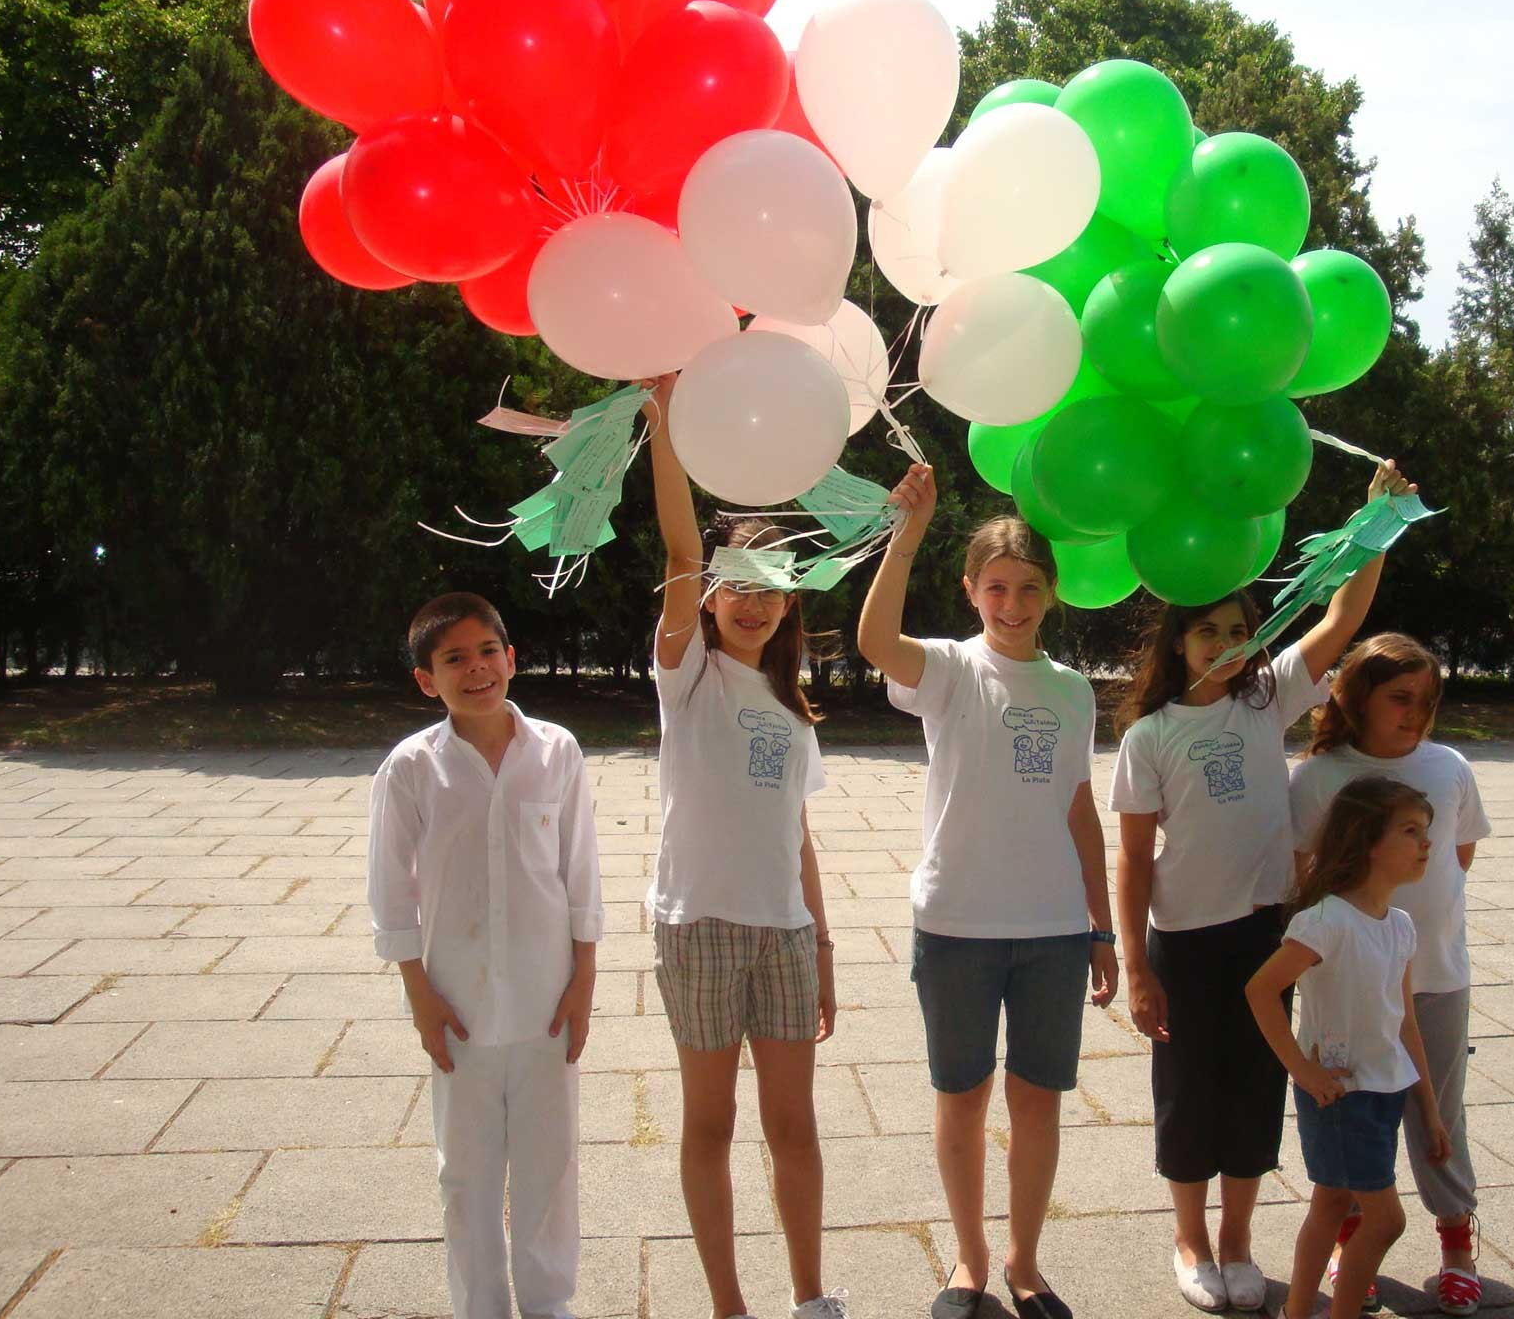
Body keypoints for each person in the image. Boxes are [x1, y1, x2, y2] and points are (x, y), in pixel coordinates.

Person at [1110, 461, 1415, 1313]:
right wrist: (1136, 963)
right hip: (1187, 940)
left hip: (1267, 938)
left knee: (1254, 1090)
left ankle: (1239, 1242)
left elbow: (1345, 612)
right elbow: (1133, 860)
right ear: (1178, 643)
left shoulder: (1266, 697)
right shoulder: (1151, 737)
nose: (1222, 642)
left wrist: (1375, 520)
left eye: (1237, 627)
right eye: (1204, 631)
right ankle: (1190, 1239)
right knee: (1188, 1096)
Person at [857, 464, 1117, 1319]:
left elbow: (1080, 810)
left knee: (1037, 1102)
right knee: (962, 1098)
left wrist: (1103, 928)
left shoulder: (1074, 691)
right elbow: (874, 643)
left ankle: (1025, 1262)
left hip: (1049, 930)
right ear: (972, 591)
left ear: (1051, 595)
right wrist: (907, 534)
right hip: (959, 922)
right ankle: (968, 1264)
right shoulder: (948, 670)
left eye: (1029, 588)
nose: (1013, 604)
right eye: (997, 587)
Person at [642, 375, 846, 1319]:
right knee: (712, 1123)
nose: (753, 605)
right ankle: (730, 1305)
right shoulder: (688, 675)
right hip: (700, 925)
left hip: (783, 933)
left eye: (771, 591)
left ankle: (809, 1297)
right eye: (737, 588)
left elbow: (795, 836)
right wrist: (666, 428)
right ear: (714, 597)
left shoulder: (794, 708)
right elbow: (683, 546)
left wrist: (825, 946)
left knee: (794, 1126)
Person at [367, 592, 602, 1319]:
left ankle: (548, 1300)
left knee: (548, 1166)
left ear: (512, 658)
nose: (476, 669)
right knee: (466, 1174)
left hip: (545, 999)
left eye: (487, 652)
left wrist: (584, 980)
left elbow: (580, 873)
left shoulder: (556, 751)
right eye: (454, 659)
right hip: (457, 1005)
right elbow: (390, 894)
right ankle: (481, 1307)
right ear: (425, 680)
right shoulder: (411, 769)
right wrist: (420, 995)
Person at [1291, 635, 1491, 1316]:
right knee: (1353, 1118)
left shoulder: (1450, 766)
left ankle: (1457, 1244)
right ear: (1357, 698)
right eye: (1399, 698)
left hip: (1434, 975)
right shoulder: (1318, 777)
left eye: (1427, 700)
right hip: (1344, 993)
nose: (1416, 713)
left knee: (1440, 1114)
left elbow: (1456, 857)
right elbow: (1302, 880)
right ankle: (1353, 1243)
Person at [1246, 777, 1451, 1319]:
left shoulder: (1400, 926)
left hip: (1382, 1092)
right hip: (1341, 1095)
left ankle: (1296, 1311)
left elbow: (1406, 1024)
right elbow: (1261, 990)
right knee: (1386, 1221)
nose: (1425, 843)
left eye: (1426, 831)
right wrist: (1302, 1071)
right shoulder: (1326, 921)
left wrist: (1430, 1111)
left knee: (1332, 1204)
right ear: (1367, 841)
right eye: (1410, 831)